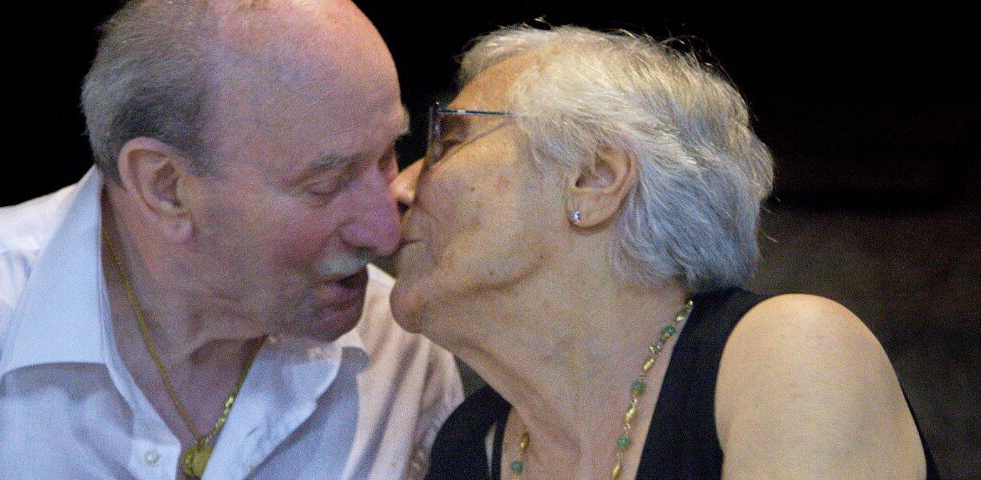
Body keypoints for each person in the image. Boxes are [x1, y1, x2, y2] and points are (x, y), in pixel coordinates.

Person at [0, 1, 463, 478]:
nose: (385, 226)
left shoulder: (406, 351)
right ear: (165, 187)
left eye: (387, 156)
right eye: (327, 182)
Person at [388, 25, 938, 479]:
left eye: (449, 142)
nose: (400, 187)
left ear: (594, 178)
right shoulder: (468, 445)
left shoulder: (789, 353)